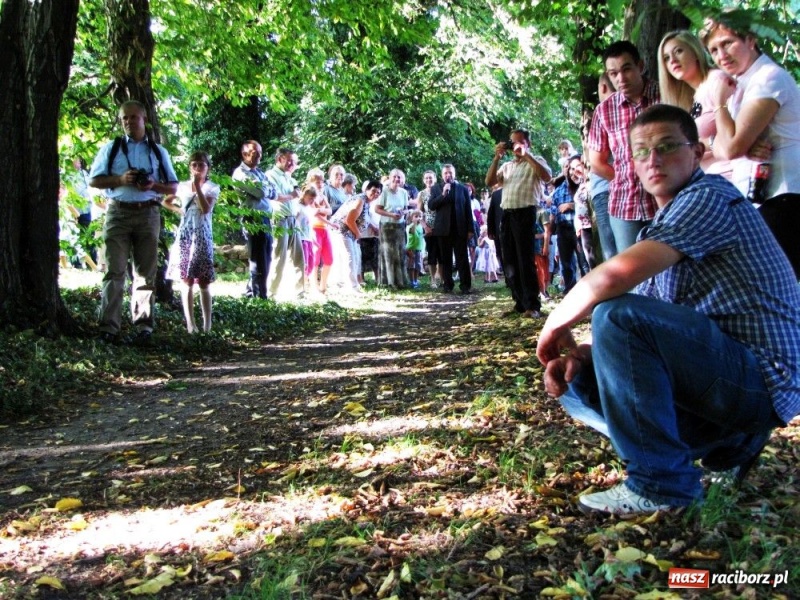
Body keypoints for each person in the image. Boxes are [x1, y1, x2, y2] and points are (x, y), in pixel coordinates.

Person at [536, 104, 800, 516]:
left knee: (614, 314)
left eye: (667, 146)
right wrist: (582, 355)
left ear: (695, 152)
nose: (653, 159)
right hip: (723, 377)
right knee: (578, 380)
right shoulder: (663, 222)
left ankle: (662, 484)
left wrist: (555, 323)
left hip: (762, 378)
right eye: (641, 151)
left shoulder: (707, 197)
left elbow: (611, 280)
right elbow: (649, 339)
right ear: (632, 165)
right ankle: (729, 448)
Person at [700, 15, 800, 278]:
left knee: (776, 285)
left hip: (784, 196)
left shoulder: (768, 78)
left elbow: (731, 147)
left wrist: (720, 103)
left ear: (751, 40)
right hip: (760, 198)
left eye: (728, 43)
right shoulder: (743, 83)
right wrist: (737, 142)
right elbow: (723, 150)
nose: (721, 55)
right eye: (713, 50)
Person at [88, 100, 178, 344]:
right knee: (114, 271)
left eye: (133, 117)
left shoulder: (158, 151)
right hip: (118, 213)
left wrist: (152, 185)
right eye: (124, 118)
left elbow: (173, 186)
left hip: (148, 214)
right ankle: (109, 328)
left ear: (144, 119)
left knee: (144, 274)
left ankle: (143, 328)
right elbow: (94, 181)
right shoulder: (112, 148)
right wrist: (120, 178)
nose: (128, 122)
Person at [589, 40, 660, 253]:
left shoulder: (664, 94)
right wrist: (622, 177)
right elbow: (596, 162)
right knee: (632, 277)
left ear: (640, 65)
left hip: (666, 200)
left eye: (626, 69)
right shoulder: (604, 111)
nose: (620, 78)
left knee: (671, 272)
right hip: (624, 203)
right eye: (613, 73)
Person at [485, 129, 552, 318]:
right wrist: (497, 157)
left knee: (525, 260)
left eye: (519, 142)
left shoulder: (536, 160)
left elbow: (547, 177)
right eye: (512, 142)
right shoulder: (507, 166)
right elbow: (490, 181)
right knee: (509, 261)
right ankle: (520, 303)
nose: (514, 146)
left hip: (526, 212)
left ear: (527, 143)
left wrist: (526, 155)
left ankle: (533, 305)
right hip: (507, 213)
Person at [658, 30, 735, 178]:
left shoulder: (717, 81)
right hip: (707, 179)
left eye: (678, 51)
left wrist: (704, 144)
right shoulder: (687, 98)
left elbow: (739, 131)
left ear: (695, 52)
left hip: (731, 177)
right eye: (666, 58)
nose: (673, 60)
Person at [163, 151, 219, 333]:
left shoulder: (212, 187)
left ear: (207, 168)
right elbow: (166, 201)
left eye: (201, 165)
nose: (197, 168)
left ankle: (207, 326)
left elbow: (205, 208)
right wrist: (179, 210)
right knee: (185, 279)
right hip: (186, 234)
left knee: (203, 281)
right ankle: (190, 324)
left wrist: (197, 187)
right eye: (194, 165)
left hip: (203, 235)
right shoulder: (182, 186)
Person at [232, 140, 276, 300]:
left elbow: (273, 191)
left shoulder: (259, 173)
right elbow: (260, 192)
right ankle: (260, 296)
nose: (259, 156)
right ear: (244, 154)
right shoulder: (240, 174)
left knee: (267, 256)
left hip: (265, 217)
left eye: (260, 153)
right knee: (259, 259)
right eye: (254, 152)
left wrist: (266, 188)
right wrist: (265, 188)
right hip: (253, 219)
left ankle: (251, 292)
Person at [266, 148, 305, 300]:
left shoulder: (290, 177)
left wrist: (296, 193)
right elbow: (274, 196)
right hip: (279, 219)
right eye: (290, 160)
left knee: (298, 257)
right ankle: (271, 292)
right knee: (279, 257)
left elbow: (297, 194)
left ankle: (300, 292)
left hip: (292, 220)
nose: (292, 164)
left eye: (294, 162)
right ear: (280, 158)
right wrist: (292, 195)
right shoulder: (270, 175)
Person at [429, 164, 475, 294]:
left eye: (450, 173)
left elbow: (468, 210)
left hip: (460, 229)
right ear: (442, 175)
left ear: (454, 174)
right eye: (445, 173)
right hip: (443, 230)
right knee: (445, 259)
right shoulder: (436, 189)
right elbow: (431, 206)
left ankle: (465, 285)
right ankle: (448, 284)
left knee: (462, 258)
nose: (448, 175)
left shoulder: (462, 189)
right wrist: (443, 194)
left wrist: (470, 229)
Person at [588, 73, 618, 261]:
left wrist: (622, 182)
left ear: (603, 87)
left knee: (613, 254)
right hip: (619, 185)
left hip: (607, 189)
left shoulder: (603, 112)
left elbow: (597, 164)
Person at [339, 180, 383, 291]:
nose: (375, 194)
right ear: (367, 190)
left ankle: (353, 286)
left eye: (378, 192)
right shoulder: (360, 200)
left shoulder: (367, 203)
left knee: (355, 258)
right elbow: (349, 220)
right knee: (350, 258)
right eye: (373, 190)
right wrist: (358, 235)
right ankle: (351, 287)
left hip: (351, 233)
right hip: (343, 231)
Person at [551, 155, 583, 293]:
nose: (569, 170)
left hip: (578, 228)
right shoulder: (557, 190)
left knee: (584, 261)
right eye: (566, 168)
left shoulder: (580, 185)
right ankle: (570, 291)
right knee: (566, 264)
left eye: (571, 167)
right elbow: (553, 210)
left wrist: (571, 205)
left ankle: (589, 294)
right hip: (562, 230)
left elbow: (586, 205)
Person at [374, 169, 410, 288]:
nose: (397, 179)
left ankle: (401, 280)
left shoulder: (404, 192)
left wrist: (402, 213)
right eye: (394, 177)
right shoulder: (384, 191)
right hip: (387, 226)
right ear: (390, 178)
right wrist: (391, 215)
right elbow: (377, 209)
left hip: (399, 226)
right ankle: (389, 281)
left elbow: (406, 208)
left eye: (399, 177)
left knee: (399, 252)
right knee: (388, 253)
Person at [418, 170, 441, 287]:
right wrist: (425, 227)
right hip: (429, 228)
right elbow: (419, 213)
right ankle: (432, 280)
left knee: (442, 254)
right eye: (426, 178)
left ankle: (441, 277)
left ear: (435, 179)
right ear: (423, 180)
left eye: (430, 178)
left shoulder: (440, 191)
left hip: (442, 227)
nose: (429, 180)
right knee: (432, 254)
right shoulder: (422, 194)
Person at [405, 210, 426, 288]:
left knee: (418, 266)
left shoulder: (420, 226)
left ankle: (416, 280)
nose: (418, 218)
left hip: (419, 249)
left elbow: (419, 236)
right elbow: (411, 236)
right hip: (411, 249)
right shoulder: (410, 227)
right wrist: (409, 250)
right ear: (411, 218)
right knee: (411, 266)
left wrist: (424, 234)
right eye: (416, 216)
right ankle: (412, 281)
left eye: (420, 216)